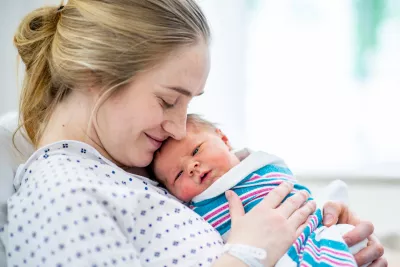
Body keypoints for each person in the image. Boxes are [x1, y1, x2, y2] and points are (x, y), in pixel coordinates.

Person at [0, 1, 385, 266]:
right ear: (92, 76)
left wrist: (321, 236)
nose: (179, 127)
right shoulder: (64, 195)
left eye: (189, 104)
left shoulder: (133, 171)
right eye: (168, 100)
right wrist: (249, 253)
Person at [152, 114, 369, 266]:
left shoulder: (259, 166)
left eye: (196, 150)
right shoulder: (194, 211)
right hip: (276, 253)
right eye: (178, 175)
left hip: (313, 225)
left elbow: (291, 187)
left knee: (348, 236)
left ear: (224, 139)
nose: (191, 167)